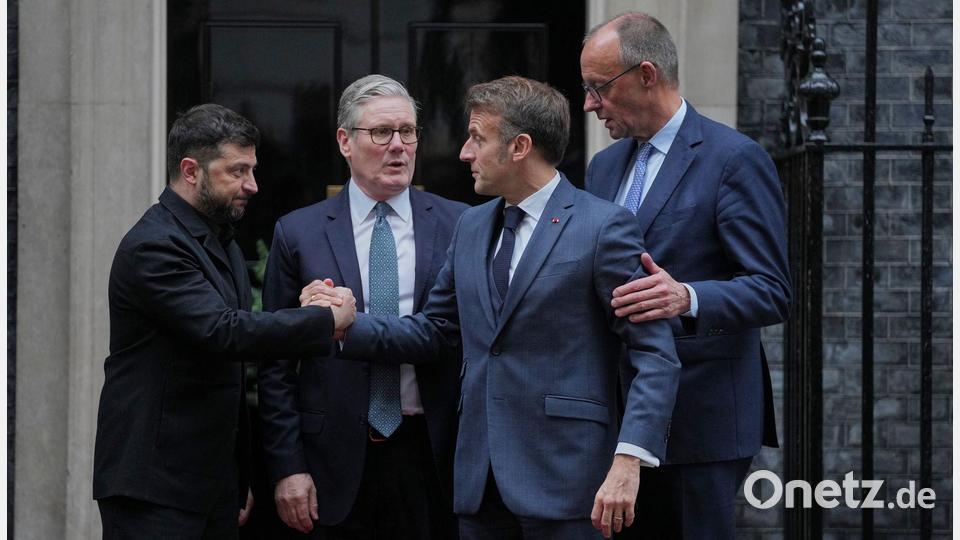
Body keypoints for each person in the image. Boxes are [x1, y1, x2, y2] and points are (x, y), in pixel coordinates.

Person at [303, 76, 680, 539]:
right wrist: (347, 324)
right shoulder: (472, 226)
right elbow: (435, 330)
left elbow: (655, 355)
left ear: (519, 147)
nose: (464, 153)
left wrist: (629, 458)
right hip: (479, 485)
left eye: (477, 138)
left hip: (570, 482)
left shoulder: (603, 227)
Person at [93, 104, 356, 539]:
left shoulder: (220, 240)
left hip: (207, 484)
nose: (252, 185)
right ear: (190, 170)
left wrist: (235, 475)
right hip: (153, 488)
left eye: (252, 170)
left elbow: (231, 352)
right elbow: (225, 332)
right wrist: (322, 320)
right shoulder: (154, 246)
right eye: (237, 171)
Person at [580, 13, 791, 539]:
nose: (589, 104)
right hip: (617, 420)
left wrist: (687, 297)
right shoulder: (603, 168)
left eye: (598, 87)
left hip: (702, 421)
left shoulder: (734, 159)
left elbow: (772, 290)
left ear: (646, 75)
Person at [257, 74, 467, 539]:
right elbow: (276, 364)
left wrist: (347, 327)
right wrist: (287, 466)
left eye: (407, 131)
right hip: (331, 460)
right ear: (344, 141)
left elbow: (459, 335)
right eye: (381, 132)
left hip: (433, 455)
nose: (399, 146)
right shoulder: (298, 233)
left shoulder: (460, 225)